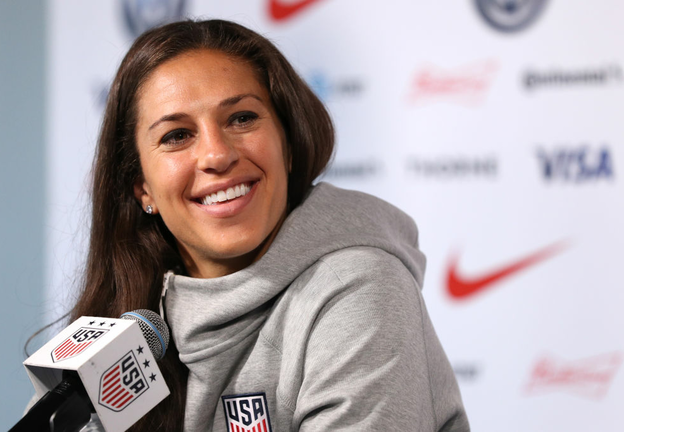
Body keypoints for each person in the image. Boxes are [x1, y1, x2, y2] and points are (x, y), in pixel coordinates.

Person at [70, 18, 469, 432]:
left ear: (289, 145)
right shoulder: (134, 320)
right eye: (176, 135)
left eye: (241, 118)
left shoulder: (358, 286)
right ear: (142, 189)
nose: (216, 155)